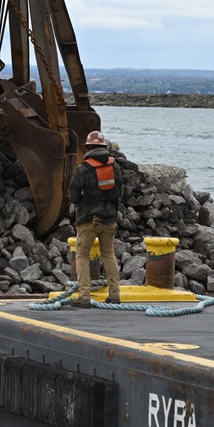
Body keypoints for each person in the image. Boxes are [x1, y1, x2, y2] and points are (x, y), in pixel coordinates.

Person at [67, 129, 123, 307]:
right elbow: (120, 193)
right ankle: (115, 295)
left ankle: (84, 297)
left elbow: (73, 195)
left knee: (82, 256)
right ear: (104, 147)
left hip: (88, 220)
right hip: (109, 219)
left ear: (88, 147)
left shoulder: (83, 170)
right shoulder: (115, 167)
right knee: (109, 254)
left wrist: (82, 203)